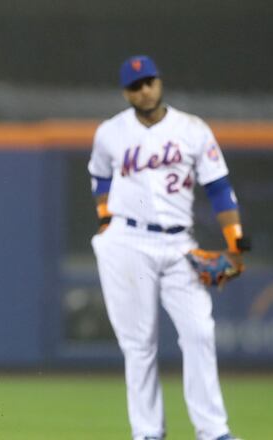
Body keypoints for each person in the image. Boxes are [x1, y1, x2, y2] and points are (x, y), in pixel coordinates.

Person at [88, 55, 249, 440]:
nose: (144, 90)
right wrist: (106, 218)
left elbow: (219, 188)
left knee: (200, 331)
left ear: (159, 83)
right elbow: (99, 177)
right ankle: (147, 432)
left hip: (179, 242)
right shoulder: (110, 132)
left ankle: (213, 431)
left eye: (149, 82)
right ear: (125, 92)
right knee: (139, 344)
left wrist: (236, 243)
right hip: (127, 241)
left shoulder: (192, 129)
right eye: (135, 85)